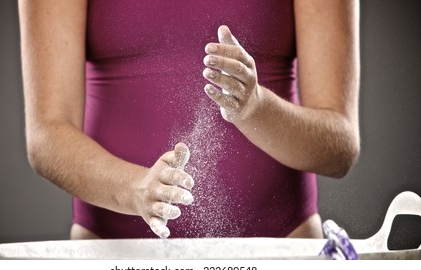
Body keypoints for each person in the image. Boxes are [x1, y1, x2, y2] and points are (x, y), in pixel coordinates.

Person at [18, 0, 360, 240]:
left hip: (279, 250)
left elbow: (339, 147)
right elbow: (48, 133)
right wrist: (136, 190)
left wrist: (256, 108)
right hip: (112, 254)